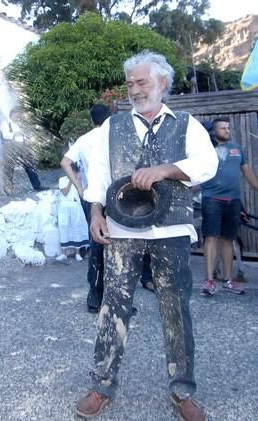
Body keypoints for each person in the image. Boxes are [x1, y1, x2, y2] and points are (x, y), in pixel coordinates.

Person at [77, 51, 217, 421]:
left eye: (142, 82)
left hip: (171, 229)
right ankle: (102, 385)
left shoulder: (187, 124)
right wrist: (95, 212)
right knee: (113, 306)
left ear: (162, 84)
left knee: (176, 309)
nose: (135, 89)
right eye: (130, 83)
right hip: (122, 228)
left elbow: (207, 164)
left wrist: (165, 170)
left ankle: (182, 391)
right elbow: (99, 173)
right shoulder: (114, 126)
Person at [200, 117, 258, 296]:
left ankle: (227, 280)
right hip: (212, 199)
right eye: (223, 128)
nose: (227, 130)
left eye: (228, 128)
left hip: (233, 201)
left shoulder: (238, 149)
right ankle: (210, 280)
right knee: (211, 238)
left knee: (228, 240)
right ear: (214, 131)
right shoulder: (206, 150)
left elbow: (248, 173)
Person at [61, 104, 110, 311]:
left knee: (96, 243)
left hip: (90, 197)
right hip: (114, 196)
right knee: (117, 245)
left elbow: (65, 162)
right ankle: (113, 299)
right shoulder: (114, 136)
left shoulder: (84, 139)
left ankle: (94, 296)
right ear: (110, 118)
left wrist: (80, 187)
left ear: (92, 120)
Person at [0, 107, 41, 194]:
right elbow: (5, 135)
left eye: (19, 115)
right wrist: (16, 133)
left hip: (22, 146)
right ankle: (8, 189)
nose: (18, 117)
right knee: (9, 168)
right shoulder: (5, 123)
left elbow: (24, 135)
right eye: (16, 115)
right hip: (11, 147)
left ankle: (37, 185)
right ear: (11, 115)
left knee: (30, 165)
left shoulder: (19, 125)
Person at [55, 165, 89, 262]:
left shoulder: (79, 180)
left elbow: (82, 193)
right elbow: (65, 192)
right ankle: (64, 253)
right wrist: (71, 180)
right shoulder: (62, 180)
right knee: (64, 227)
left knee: (77, 227)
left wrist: (79, 182)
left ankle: (77, 253)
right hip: (64, 206)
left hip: (75, 206)